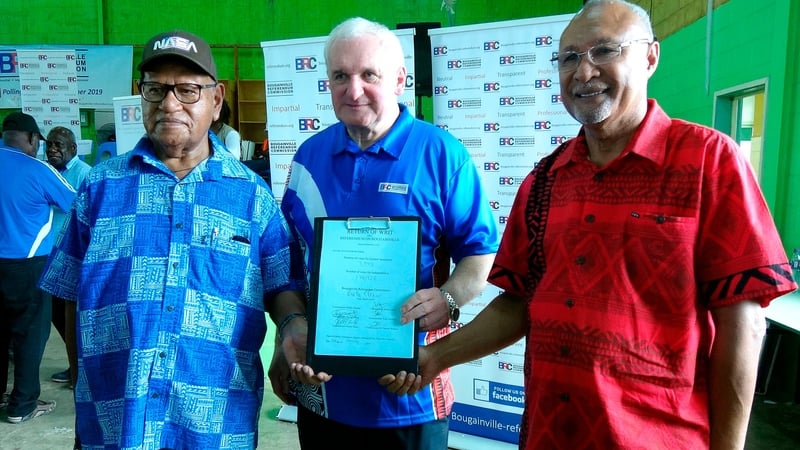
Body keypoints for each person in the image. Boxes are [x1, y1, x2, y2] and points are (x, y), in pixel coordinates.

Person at [380, 1, 798, 449]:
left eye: (604, 51)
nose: (584, 73)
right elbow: (520, 303)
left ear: (650, 56)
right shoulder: (544, 180)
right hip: (549, 436)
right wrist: (435, 357)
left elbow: (743, 324)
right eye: (570, 58)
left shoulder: (708, 162)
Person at [38, 29, 306, 449]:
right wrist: (81, 376)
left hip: (214, 425)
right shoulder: (99, 188)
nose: (169, 103)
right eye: (156, 89)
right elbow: (68, 294)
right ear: (139, 94)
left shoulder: (251, 197)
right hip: (114, 420)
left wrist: (292, 328)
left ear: (216, 100)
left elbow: (284, 286)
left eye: (187, 90)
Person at [269, 17, 499, 450]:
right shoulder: (309, 157)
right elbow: (289, 263)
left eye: (368, 75)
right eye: (340, 76)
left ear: (398, 79)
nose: (353, 90)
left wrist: (448, 298)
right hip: (324, 393)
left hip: (411, 390)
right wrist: (290, 331)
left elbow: (480, 254)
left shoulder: (441, 154)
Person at [0, 112, 76, 423]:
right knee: (31, 334)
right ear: (32, 139)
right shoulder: (38, 170)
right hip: (26, 266)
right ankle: (23, 404)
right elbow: (78, 203)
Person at [43, 126, 91, 386]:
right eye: (50, 144)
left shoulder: (84, 174)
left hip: (72, 254)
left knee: (71, 314)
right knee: (54, 314)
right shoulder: (46, 171)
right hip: (48, 252)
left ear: (73, 149)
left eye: (59, 145)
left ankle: (80, 369)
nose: (52, 149)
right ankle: (74, 363)